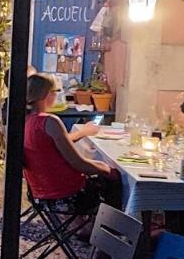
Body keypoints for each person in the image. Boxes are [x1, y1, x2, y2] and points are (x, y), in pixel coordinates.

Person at [23, 74, 119, 217]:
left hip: (40, 192)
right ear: (48, 94)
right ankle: (113, 229)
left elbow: (54, 144)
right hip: (65, 194)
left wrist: (83, 132)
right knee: (116, 180)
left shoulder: (27, 121)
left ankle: (86, 225)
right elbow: (79, 164)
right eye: (56, 92)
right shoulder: (50, 121)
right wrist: (107, 170)